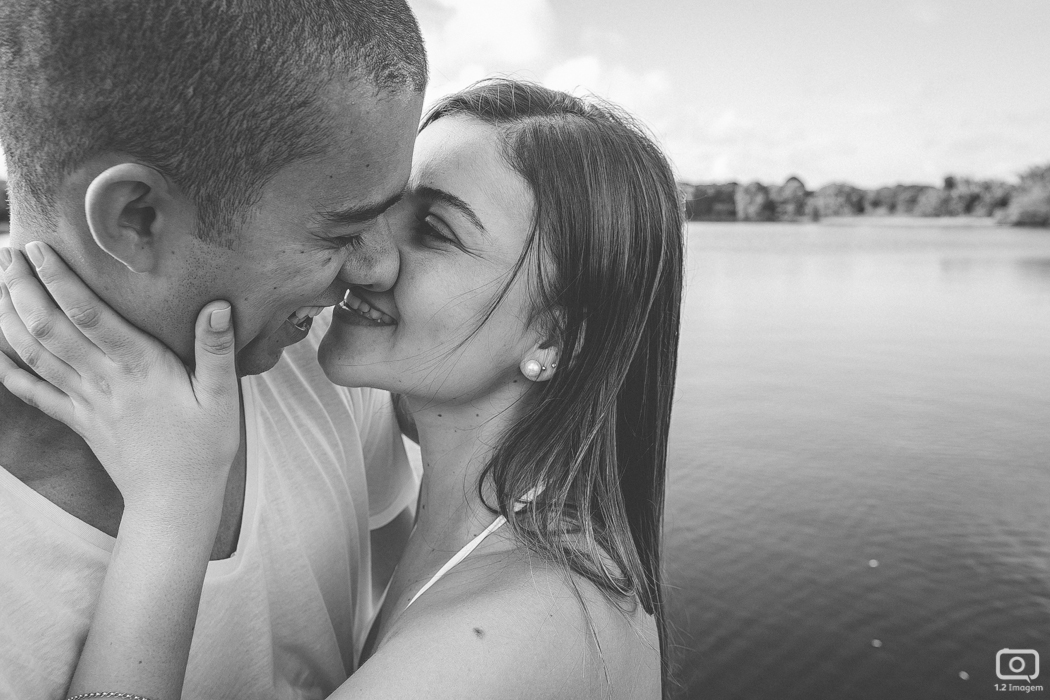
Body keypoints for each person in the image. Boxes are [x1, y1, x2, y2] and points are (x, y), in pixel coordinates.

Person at [2, 79, 684, 700]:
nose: (366, 256)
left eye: (436, 231)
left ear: (554, 342)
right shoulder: (491, 544)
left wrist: (174, 501)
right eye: (379, 208)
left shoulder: (498, 639)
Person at [0, 1, 428, 698]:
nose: (376, 268)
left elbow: (394, 591)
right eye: (339, 232)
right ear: (136, 217)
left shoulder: (321, 351)